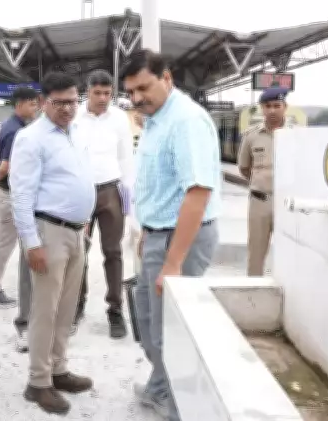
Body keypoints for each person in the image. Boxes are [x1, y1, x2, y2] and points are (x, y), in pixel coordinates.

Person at [122, 50, 221, 421]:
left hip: (180, 240)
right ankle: (160, 387)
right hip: (158, 235)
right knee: (148, 323)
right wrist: (147, 231)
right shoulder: (156, 118)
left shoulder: (185, 121)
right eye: (131, 92)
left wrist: (174, 261)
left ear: (167, 78)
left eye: (143, 88)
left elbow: (198, 192)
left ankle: (179, 409)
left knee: (171, 335)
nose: (137, 98)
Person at [10, 72, 96, 415]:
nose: (68, 108)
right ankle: (38, 382)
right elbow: (21, 195)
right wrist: (32, 243)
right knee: (45, 310)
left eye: (73, 101)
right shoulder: (31, 139)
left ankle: (58, 369)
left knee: (66, 308)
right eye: (60, 102)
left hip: (76, 232)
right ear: (43, 102)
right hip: (48, 233)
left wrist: (83, 221)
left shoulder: (76, 132)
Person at [73, 70, 134, 339]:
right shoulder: (74, 116)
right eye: (97, 93)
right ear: (87, 91)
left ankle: (115, 309)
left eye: (107, 93)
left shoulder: (119, 119)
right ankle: (76, 304)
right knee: (79, 252)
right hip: (81, 191)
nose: (102, 98)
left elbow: (126, 158)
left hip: (111, 191)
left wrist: (127, 198)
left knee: (113, 252)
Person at [0, 87, 40, 344]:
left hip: (7, 193)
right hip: (11, 194)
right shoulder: (16, 130)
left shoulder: (10, 125)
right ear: (20, 104)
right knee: (6, 243)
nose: (35, 108)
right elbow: (6, 165)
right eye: (32, 104)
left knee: (6, 242)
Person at [238, 86, 292, 277]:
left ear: (285, 107)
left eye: (277, 105)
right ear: (262, 108)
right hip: (260, 202)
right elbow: (244, 168)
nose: (272, 110)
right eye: (268, 106)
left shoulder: (296, 135)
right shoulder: (251, 136)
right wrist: (262, 182)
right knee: (256, 252)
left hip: (288, 203)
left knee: (290, 252)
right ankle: (253, 288)